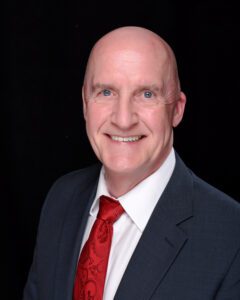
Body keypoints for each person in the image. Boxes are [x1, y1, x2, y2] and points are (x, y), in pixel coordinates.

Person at [23, 26, 240, 300]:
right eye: (106, 92)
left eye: (147, 94)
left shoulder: (232, 235)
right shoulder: (61, 199)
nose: (123, 120)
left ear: (177, 109)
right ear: (84, 103)